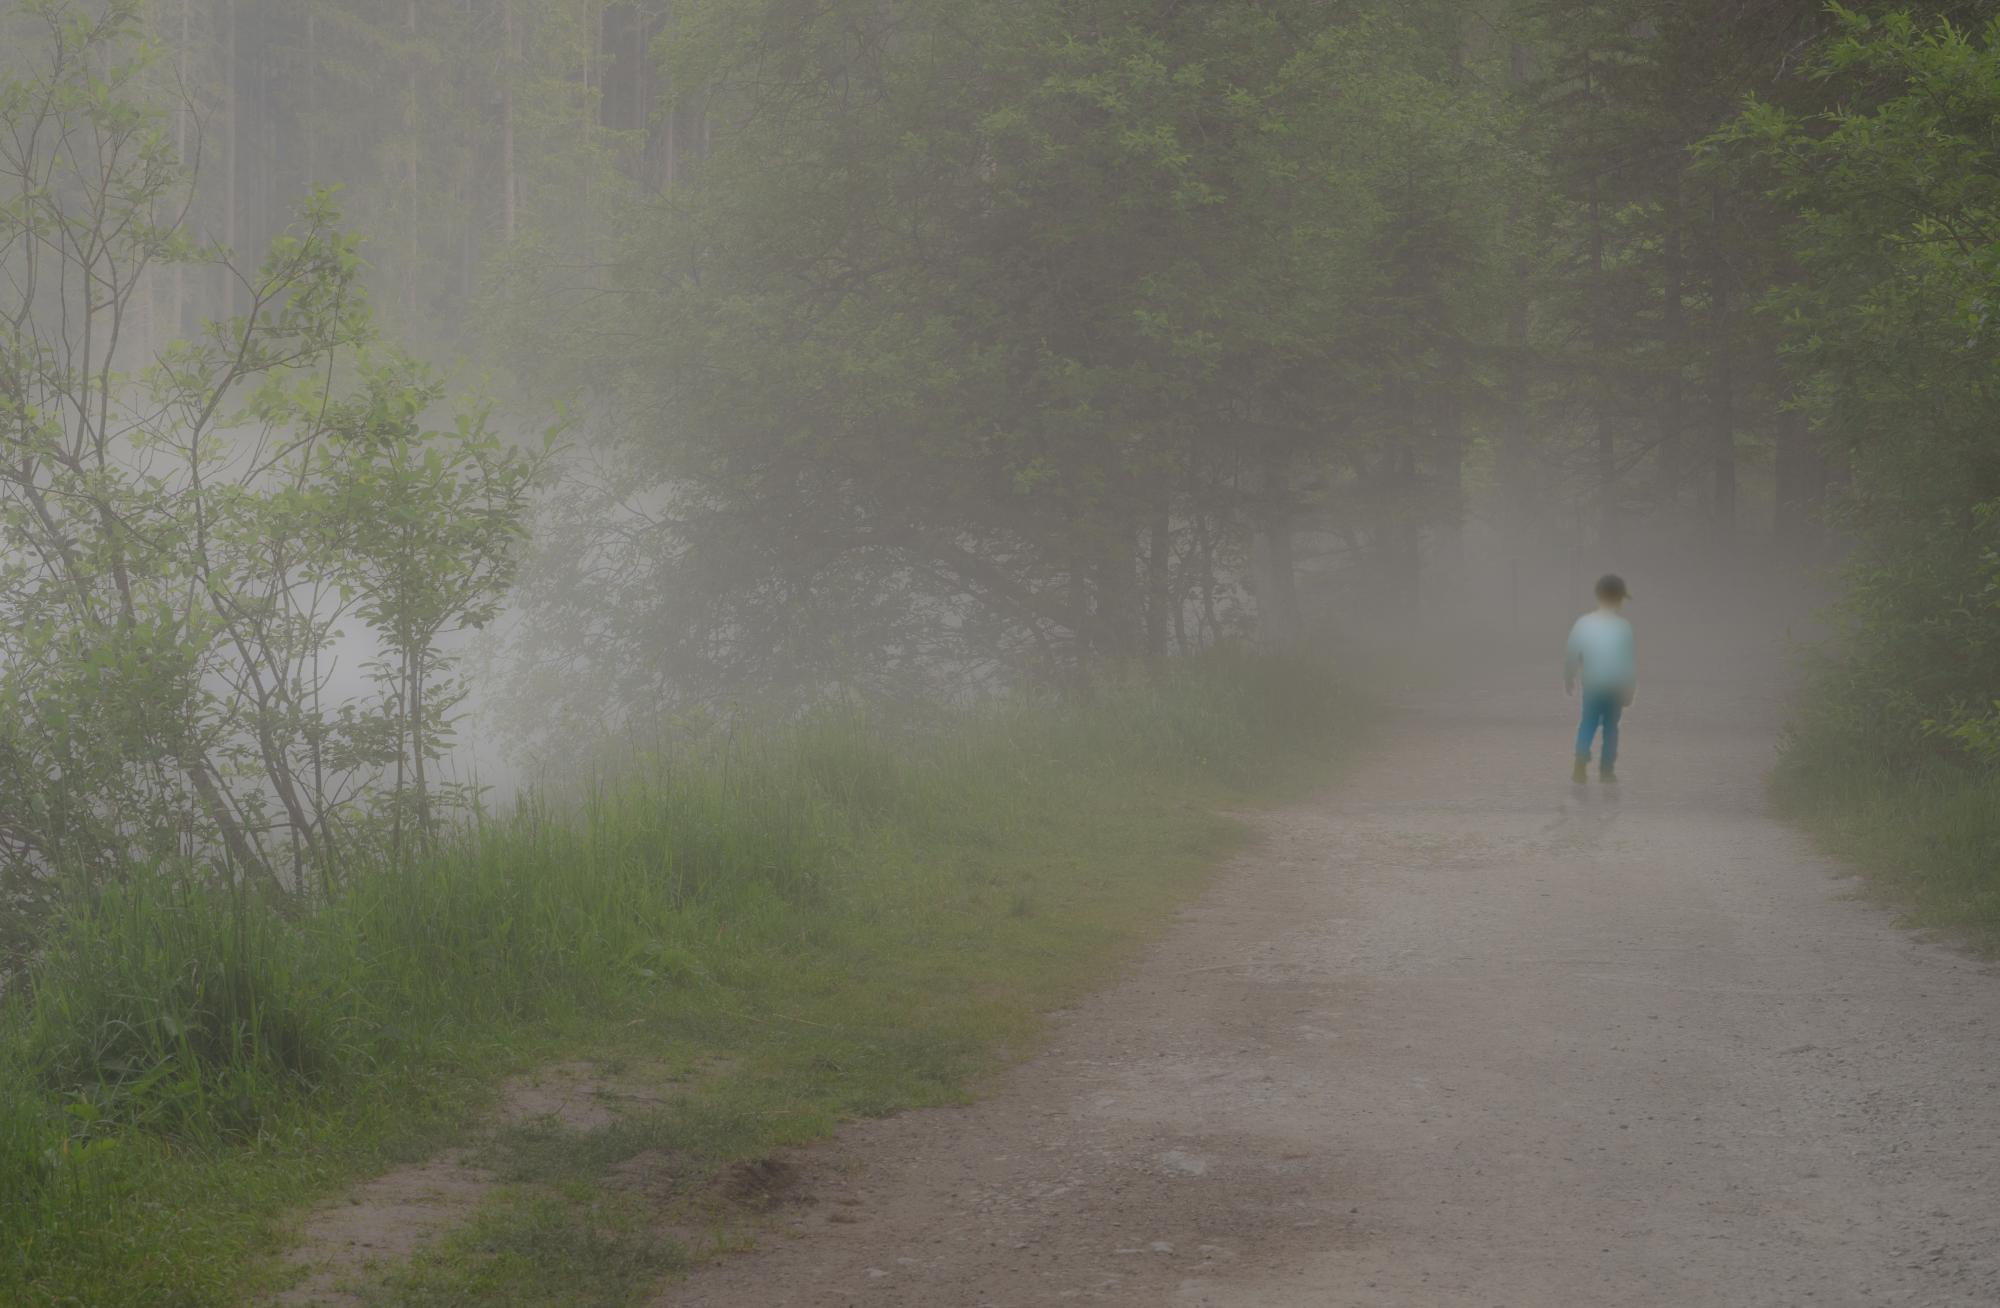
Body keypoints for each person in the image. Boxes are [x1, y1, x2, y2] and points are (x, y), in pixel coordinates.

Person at [1565, 574, 1636, 784]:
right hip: (1615, 686)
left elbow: (1572, 651)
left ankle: (1580, 763)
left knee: (1588, 722)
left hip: (1593, 684)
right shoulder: (1623, 627)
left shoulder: (1584, 623)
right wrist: (1630, 688)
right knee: (1611, 728)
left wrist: (1569, 675)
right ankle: (1607, 770)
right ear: (1619, 599)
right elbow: (1628, 661)